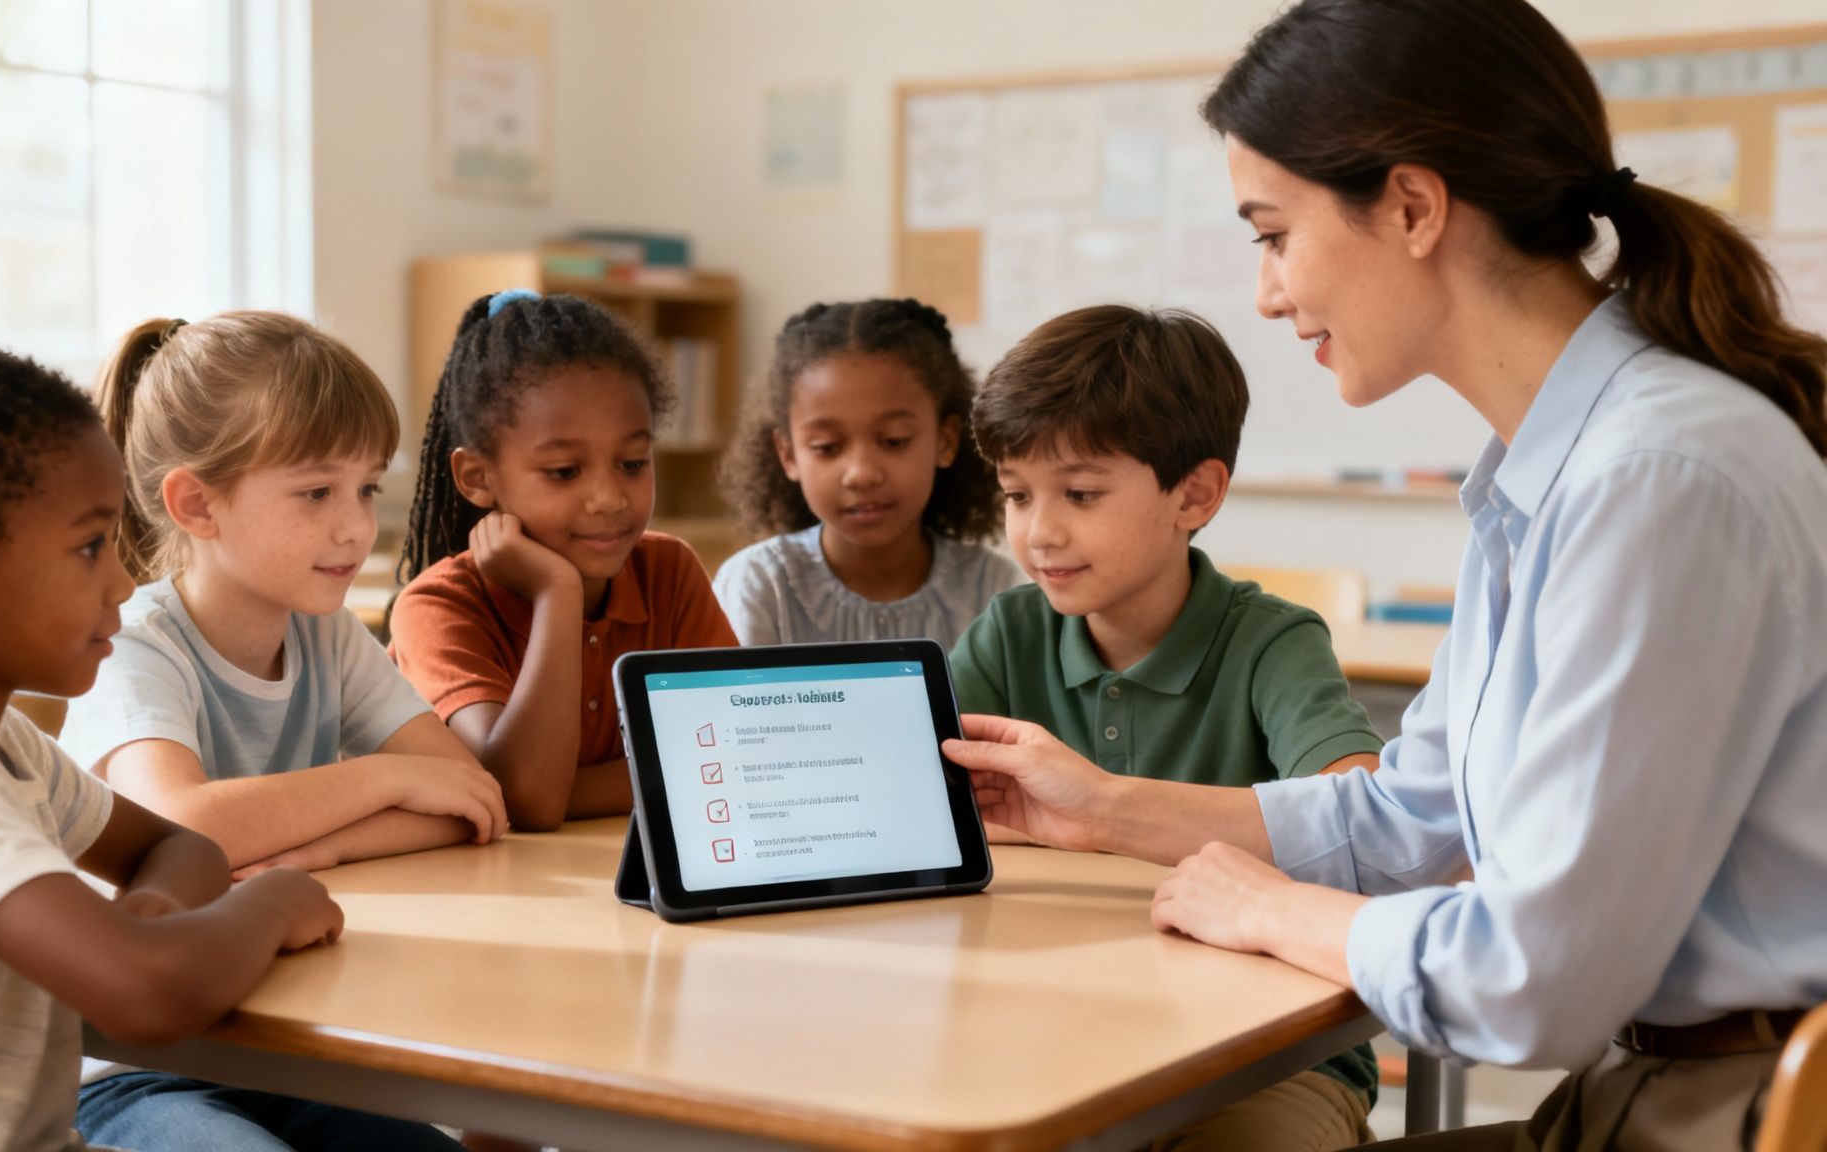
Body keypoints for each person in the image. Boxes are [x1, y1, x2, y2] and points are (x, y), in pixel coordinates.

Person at [948, 1, 1827, 1148]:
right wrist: (1105, 811)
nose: (1266, 292)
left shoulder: (1654, 477)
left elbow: (1529, 981)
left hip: (1744, 1114)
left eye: (1271, 233)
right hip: (1657, 1091)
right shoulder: (1549, 469)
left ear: (1411, 207)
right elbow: (1406, 817)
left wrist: (1275, 912)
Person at [0, 330, 345, 1152]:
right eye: (88, 547)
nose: (121, 581)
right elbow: (147, 997)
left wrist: (144, 920)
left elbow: (183, 849)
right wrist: (270, 903)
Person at [950, 303, 1386, 1150]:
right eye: (1016, 494)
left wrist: (1107, 811)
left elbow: (1360, 811)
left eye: (1079, 493)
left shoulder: (1272, 642)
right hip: (1060, 1026)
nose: (1039, 531)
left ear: (1195, 494)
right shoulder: (1010, 634)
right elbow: (932, 814)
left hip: (1269, 1058)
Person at [65, 311, 501, 1150]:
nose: (354, 526)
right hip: (131, 1068)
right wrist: (380, 779)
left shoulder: (324, 632)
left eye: (367, 487)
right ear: (197, 504)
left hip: (296, 1052)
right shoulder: (133, 643)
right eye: (315, 493)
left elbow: (467, 798)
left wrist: (318, 853)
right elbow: (183, 825)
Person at [391, 289, 736, 831]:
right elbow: (526, 798)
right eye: (564, 472)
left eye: (632, 462)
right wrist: (557, 592)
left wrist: (562, 790)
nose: (610, 499)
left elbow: (731, 759)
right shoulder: (437, 607)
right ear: (478, 479)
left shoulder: (669, 572)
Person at [713, 298, 1021, 649]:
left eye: (894, 441)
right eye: (827, 447)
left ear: (945, 441)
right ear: (788, 455)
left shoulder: (996, 591)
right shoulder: (760, 585)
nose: (861, 474)